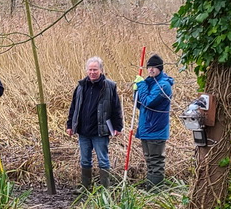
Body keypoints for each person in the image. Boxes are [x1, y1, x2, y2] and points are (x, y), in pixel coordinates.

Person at [66, 56, 124, 190]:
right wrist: (70, 125)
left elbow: (116, 108)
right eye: (90, 70)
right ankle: (86, 187)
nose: (92, 72)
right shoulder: (80, 86)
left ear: (101, 71)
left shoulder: (109, 86)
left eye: (95, 70)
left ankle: (105, 189)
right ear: (86, 70)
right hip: (83, 131)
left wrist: (118, 127)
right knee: (85, 160)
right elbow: (74, 107)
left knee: (103, 160)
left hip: (100, 131)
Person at [133, 54, 175, 190]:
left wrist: (141, 85)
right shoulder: (149, 82)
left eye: (154, 68)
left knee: (156, 161)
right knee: (150, 161)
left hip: (156, 130)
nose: (151, 70)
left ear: (160, 69)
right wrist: (136, 91)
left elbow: (149, 102)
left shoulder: (164, 85)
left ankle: (155, 191)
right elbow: (139, 104)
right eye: (149, 67)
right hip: (146, 128)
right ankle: (150, 188)